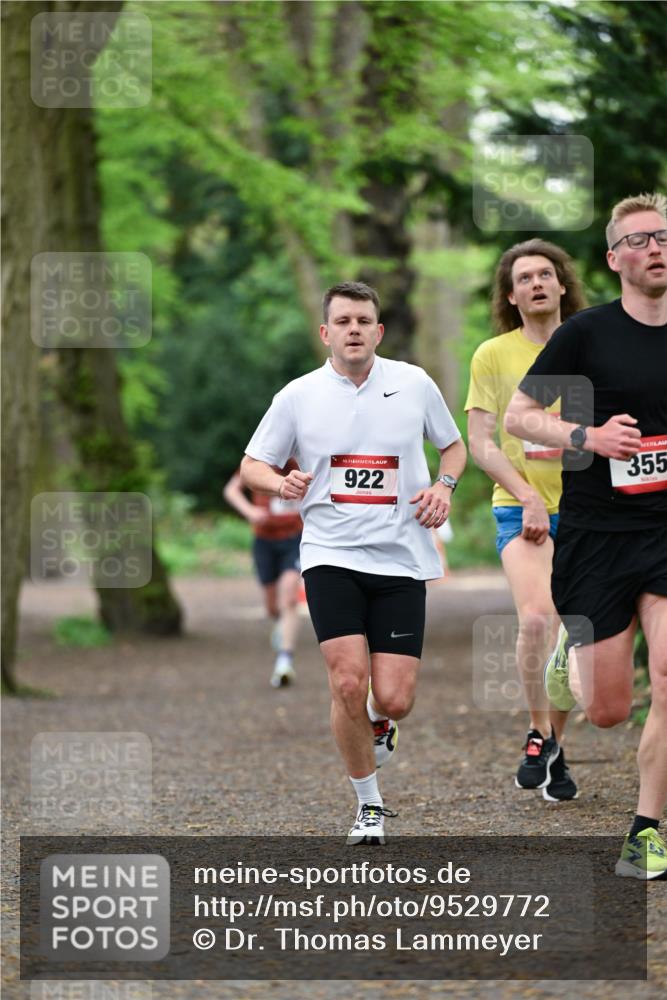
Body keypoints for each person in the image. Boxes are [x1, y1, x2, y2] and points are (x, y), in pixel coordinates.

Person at [241, 281, 466, 844]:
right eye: (343, 321)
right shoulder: (297, 395)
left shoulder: (413, 383)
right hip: (329, 554)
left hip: (401, 556)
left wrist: (444, 486)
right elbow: (252, 466)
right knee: (345, 680)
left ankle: (379, 719)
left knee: (394, 698)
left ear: (379, 330)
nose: (354, 330)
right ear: (326, 332)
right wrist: (279, 479)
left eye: (364, 320)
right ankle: (368, 805)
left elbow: (454, 447)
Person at [505, 193, 667, 879]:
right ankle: (568, 660)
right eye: (637, 241)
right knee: (605, 710)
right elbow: (518, 417)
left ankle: (646, 826)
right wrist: (586, 436)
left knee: (665, 675)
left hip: (664, 530)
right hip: (597, 534)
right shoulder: (587, 334)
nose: (654, 248)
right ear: (612, 259)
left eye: (662, 237)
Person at [465, 239, 586, 800]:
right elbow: (482, 443)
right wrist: (527, 496)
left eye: (545, 274)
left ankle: (557, 748)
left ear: (562, 284)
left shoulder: (595, 343)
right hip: (520, 507)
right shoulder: (493, 354)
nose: (536, 284)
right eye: (524, 278)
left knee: (573, 635)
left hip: (592, 513)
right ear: (511, 296)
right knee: (537, 620)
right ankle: (538, 732)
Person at [223, 461, 302, 687]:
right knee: (272, 607)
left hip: (294, 538)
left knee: (288, 597)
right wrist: (250, 512)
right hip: (264, 541)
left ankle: (285, 660)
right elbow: (231, 489)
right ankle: (280, 624)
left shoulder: (302, 459)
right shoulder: (261, 459)